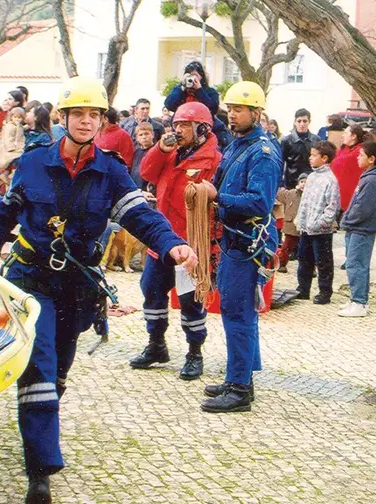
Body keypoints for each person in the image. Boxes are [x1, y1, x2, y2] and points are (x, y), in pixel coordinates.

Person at [0, 76, 198, 503]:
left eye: (93, 114)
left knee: (59, 370)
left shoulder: (111, 171)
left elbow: (141, 217)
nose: (85, 121)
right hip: (31, 281)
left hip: (77, 288)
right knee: (38, 365)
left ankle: (41, 423)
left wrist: (172, 244)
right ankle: (40, 472)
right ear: (63, 118)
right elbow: (4, 212)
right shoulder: (32, 162)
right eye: (77, 113)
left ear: (101, 121)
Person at [199, 81, 281, 413]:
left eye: (239, 110)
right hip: (234, 238)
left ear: (256, 113)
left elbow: (259, 202)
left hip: (247, 243)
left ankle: (240, 388)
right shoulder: (237, 146)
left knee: (237, 313)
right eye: (230, 109)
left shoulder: (261, 152)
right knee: (238, 312)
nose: (232, 115)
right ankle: (240, 375)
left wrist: (219, 199)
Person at [130, 101, 220, 380]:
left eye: (185, 125)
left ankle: (195, 352)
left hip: (191, 243)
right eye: (176, 124)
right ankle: (156, 345)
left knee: (190, 299)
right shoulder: (171, 153)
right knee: (151, 290)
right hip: (162, 240)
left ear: (202, 128)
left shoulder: (214, 160)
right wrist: (160, 149)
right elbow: (145, 173)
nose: (178, 130)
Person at [338, 141, 376, 317]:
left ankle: (359, 301)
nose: (358, 158)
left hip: (361, 228)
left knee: (356, 264)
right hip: (356, 227)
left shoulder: (373, 180)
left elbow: (363, 208)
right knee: (356, 264)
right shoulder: (368, 176)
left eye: (361, 155)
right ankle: (357, 299)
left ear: (372, 159)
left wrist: (347, 220)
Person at [293, 141, 340, 304]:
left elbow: (332, 207)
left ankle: (325, 291)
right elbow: (305, 201)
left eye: (314, 155)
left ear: (325, 158)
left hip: (321, 230)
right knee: (304, 259)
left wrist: (320, 223)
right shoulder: (311, 177)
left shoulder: (330, 180)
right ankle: (303, 288)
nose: (310, 158)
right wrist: (300, 219)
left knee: (323, 262)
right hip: (306, 228)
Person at [279, 108, 320, 189]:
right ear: (295, 122)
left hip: (311, 182)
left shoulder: (316, 140)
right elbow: (281, 163)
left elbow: (320, 163)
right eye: (299, 121)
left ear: (309, 122)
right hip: (291, 183)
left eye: (305, 121)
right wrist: (280, 182)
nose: (302, 124)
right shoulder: (286, 140)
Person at [274, 173, 306, 273]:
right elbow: (280, 194)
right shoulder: (291, 193)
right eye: (302, 182)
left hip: (305, 226)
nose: (304, 184)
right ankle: (281, 264)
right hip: (291, 225)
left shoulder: (312, 194)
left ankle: (309, 268)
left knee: (307, 249)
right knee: (286, 247)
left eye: (306, 182)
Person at [130, 122, 155, 189]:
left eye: (146, 134)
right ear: (137, 138)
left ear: (152, 134)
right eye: (140, 135)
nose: (144, 137)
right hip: (136, 187)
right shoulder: (136, 152)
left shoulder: (156, 151)